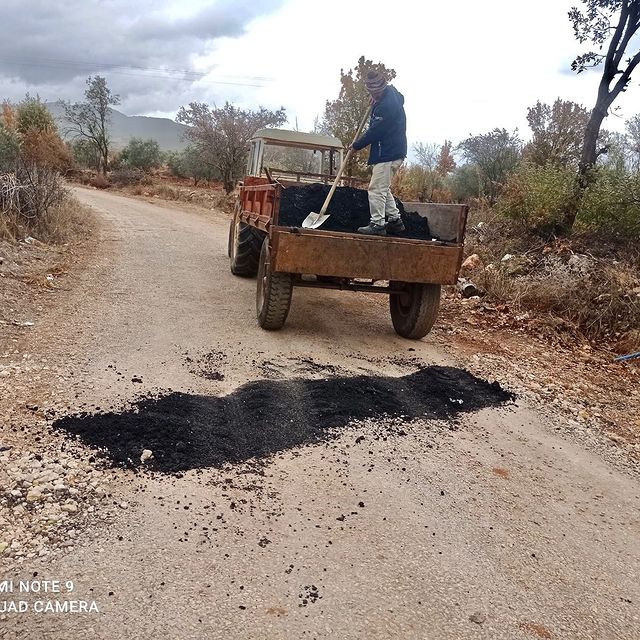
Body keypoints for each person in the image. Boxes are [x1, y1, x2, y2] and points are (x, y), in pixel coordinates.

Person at [351, 70, 407, 236]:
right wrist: (376, 99)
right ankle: (395, 221)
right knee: (383, 187)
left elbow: (375, 132)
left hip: (387, 152)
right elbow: (397, 96)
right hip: (395, 150)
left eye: (375, 92)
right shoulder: (392, 93)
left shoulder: (385, 107)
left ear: (380, 89)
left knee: (375, 189)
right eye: (372, 93)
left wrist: (356, 146)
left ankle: (377, 224)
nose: (373, 95)